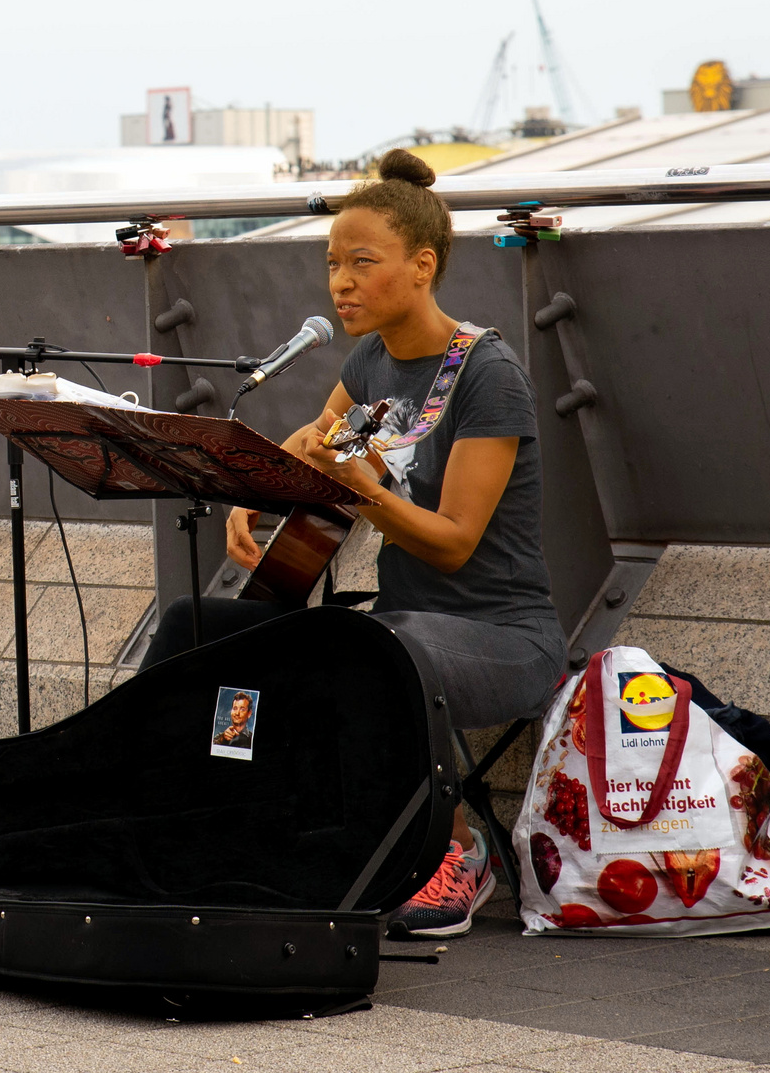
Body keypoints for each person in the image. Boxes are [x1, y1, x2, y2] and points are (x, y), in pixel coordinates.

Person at [139, 148, 565, 939]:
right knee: (192, 628)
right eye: (333, 264)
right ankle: (165, 812)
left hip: (505, 640)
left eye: (362, 263)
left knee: (368, 644)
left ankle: (457, 851)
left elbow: (454, 546)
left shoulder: (486, 373)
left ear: (422, 266)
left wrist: (367, 489)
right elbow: (312, 445)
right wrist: (256, 497)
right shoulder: (369, 358)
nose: (340, 282)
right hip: (398, 633)